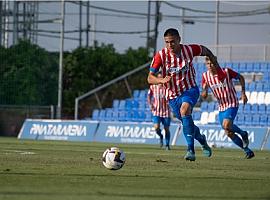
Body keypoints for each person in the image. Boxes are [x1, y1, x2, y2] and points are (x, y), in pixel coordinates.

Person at [148, 28, 217, 161]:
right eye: (167, 42)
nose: (170, 45)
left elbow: (204, 50)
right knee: (187, 123)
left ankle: (190, 150)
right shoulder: (160, 56)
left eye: (172, 42)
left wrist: (214, 60)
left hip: (189, 89)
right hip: (172, 96)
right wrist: (161, 80)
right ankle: (202, 140)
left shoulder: (189, 50)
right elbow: (150, 78)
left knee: (185, 110)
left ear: (179, 39)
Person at [201, 56, 255, 159]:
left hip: (232, 103)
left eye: (212, 63)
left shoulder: (226, 71)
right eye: (208, 64)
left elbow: (241, 77)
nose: (210, 65)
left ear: (216, 63)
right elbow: (204, 94)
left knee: (226, 125)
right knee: (228, 132)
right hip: (221, 106)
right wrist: (204, 93)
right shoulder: (205, 76)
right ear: (206, 65)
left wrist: (243, 93)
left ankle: (243, 134)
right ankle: (247, 151)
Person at [147, 72, 171, 150]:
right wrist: (150, 104)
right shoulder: (153, 87)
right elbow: (149, 96)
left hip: (166, 111)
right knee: (156, 128)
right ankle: (160, 136)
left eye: (161, 78)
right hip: (156, 111)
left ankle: (167, 145)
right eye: (159, 78)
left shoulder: (167, 87)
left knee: (166, 129)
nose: (160, 79)